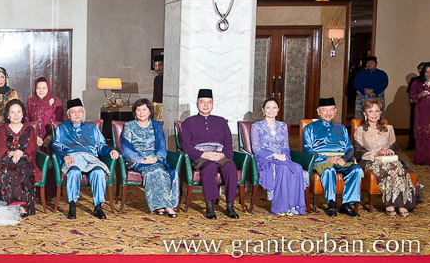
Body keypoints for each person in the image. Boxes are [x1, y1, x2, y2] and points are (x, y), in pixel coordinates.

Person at [352, 98, 420, 216]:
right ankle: (390, 204)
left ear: (381, 113)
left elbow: (394, 148)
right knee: (389, 170)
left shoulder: (389, 129)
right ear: (364, 113)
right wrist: (376, 153)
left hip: (389, 160)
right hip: (370, 161)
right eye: (371, 111)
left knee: (399, 168)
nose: (374, 114)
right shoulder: (360, 130)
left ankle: (402, 204)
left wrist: (387, 150)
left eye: (377, 111)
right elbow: (358, 151)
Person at [52, 98, 117, 220]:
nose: (77, 114)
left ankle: (98, 206)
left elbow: (102, 146)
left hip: (90, 158)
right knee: (74, 172)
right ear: (68, 115)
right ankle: (72, 205)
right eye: (73, 112)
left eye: (79, 111)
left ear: (83, 113)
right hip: (72, 158)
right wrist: (64, 156)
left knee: (98, 172)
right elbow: (56, 145)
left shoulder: (92, 127)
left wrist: (111, 151)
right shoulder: (62, 128)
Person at [180, 89, 239, 219]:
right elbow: (185, 145)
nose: (206, 105)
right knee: (210, 167)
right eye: (202, 102)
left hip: (219, 154)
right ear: (197, 104)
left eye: (209, 102)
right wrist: (203, 154)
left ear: (213, 105)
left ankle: (230, 206)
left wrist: (223, 155)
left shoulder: (221, 121)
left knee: (230, 167)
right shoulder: (189, 122)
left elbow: (228, 143)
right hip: (201, 157)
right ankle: (210, 206)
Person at [302, 97, 363, 217]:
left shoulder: (341, 128)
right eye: (325, 110)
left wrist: (344, 159)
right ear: (318, 111)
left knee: (356, 170)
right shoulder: (310, 128)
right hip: (321, 161)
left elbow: (349, 148)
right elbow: (307, 149)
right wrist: (326, 158)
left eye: (331, 110)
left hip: (340, 160)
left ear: (335, 111)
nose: (328, 113)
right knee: (329, 170)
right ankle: (331, 203)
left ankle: (346, 204)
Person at [119, 99, 179, 217]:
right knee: (155, 171)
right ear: (135, 112)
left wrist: (156, 158)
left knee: (166, 172)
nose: (141, 113)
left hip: (155, 159)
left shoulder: (156, 125)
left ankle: (161, 206)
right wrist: (142, 160)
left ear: (150, 111)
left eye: (144, 109)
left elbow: (162, 145)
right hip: (137, 160)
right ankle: (167, 206)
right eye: (138, 110)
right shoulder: (129, 125)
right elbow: (125, 147)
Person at [249, 98, 307, 216]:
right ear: (263, 110)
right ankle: (280, 207)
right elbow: (256, 149)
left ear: (278, 110)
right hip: (265, 159)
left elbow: (285, 146)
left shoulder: (282, 126)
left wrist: (284, 156)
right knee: (283, 169)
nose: (271, 110)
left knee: (297, 168)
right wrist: (274, 155)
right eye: (268, 107)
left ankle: (292, 206)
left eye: (274, 107)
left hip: (282, 157)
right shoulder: (256, 126)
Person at [0, 99, 39, 216]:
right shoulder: (1, 130)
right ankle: (13, 207)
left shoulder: (30, 129)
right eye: (12, 112)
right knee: (10, 171)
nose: (16, 115)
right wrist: (11, 153)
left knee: (23, 171)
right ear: (8, 115)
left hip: (25, 160)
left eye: (18, 112)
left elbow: (33, 148)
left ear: (23, 114)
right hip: (7, 161)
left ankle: (23, 207)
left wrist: (21, 153)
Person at [25, 77, 63, 153]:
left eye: (44, 88)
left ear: (48, 88)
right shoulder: (30, 102)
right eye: (38, 88)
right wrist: (34, 136)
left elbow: (60, 123)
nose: (41, 91)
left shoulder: (56, 101)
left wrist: (50, 137)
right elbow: (26, 121)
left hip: (52, 140)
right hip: (34, 140)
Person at [406, 62, 426, 150]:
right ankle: (412, 144)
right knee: (414, 125)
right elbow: (409, 93)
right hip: (416, 105)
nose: (422, 70)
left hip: (428, 107)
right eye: (420, 68)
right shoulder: (414, 80)